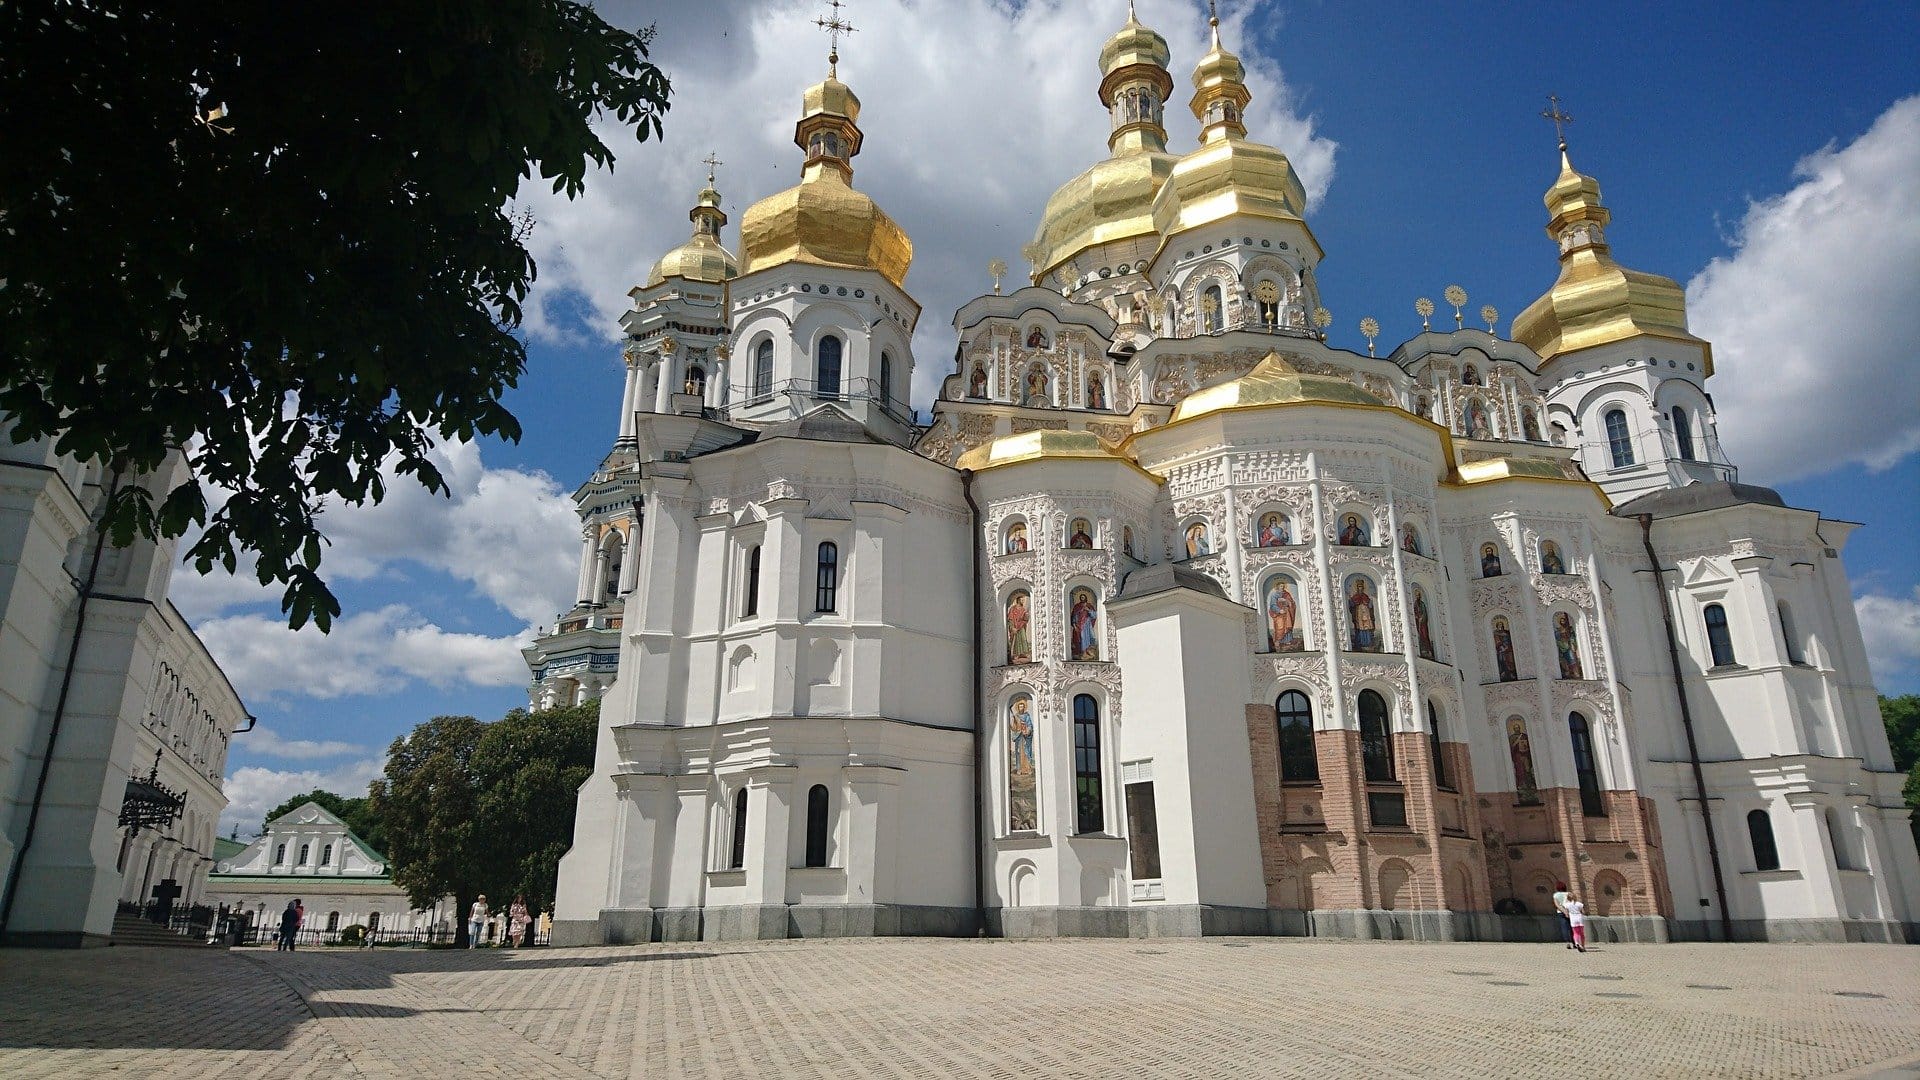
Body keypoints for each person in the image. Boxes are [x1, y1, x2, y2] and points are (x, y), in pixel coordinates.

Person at [1552, 881, 1572, 949]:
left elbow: (1557, 905)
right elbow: (1572, 903)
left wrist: (1564, 911)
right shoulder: (1569, 894)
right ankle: (1575, 942)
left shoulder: (1555, 895)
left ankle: (1567, 942)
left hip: (1561, 912)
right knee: (1571, 927)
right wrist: (1567, 911)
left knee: (1564, 927)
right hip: (1570, 912)